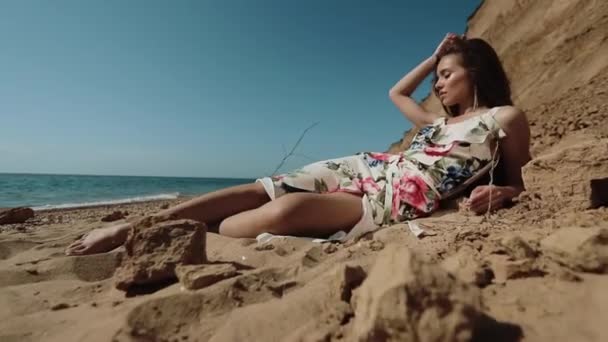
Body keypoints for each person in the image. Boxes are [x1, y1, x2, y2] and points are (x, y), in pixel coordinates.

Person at [66, 33, 531, 256]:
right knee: (266, 188)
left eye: (447, 74)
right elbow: (396, 93)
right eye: (438, 76)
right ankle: (133, 228)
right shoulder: (433, 121)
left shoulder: (503, 118)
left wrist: (504, 193)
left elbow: (520, 180)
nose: (440, 84)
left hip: (395, 200)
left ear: (477, 71)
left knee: (284, 214)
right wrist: (433, 57)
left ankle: (200, 226)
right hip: (366, 167)